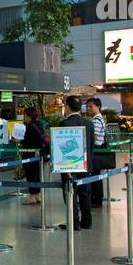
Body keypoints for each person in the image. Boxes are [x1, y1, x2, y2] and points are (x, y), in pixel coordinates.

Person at [60, 96, 94, 230]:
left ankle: (74, 222)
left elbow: (62, 146)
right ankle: (87, 221)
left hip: (70, 165)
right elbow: (91, 146)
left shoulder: (64, 124)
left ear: (68, 107)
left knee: (70, 193)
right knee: (85, 193)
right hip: (86, 163)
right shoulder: (89, 123)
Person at [86, 98, 110, 209]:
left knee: (95, 176)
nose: (88, 109)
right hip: (97, 149)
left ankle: (96, 199)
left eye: (91, 106)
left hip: (95, 149)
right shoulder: (98, 119)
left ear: (98, 107)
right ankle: (97, 199)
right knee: (96, 175)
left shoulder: (96, 120)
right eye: (87, 107)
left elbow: (94, 136)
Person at [21, 107, 45, 205]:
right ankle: (38, 195)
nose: (24, 117)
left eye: (25, 115)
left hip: (29, 154)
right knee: (37, 174)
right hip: (38, 153)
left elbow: (27, 141)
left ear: (29, 117)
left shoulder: (29, 126)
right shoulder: (39, 124)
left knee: (30, 175)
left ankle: (32, 197)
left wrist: (18, 140)